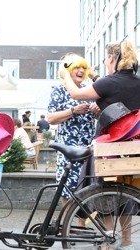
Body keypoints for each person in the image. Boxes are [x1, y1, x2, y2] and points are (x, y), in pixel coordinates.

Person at [60, 40, 140, 250]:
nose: (105, 62)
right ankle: (128, 239)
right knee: (126, 191)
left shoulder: (110, 82)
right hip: (132, 149)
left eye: (106, 58)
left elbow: (77, 94)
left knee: (104, 192)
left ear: (112, 59)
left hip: (109, 148)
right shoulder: (137, 81)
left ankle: (108, 241)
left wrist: (66, 75)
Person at [47, 53, 99, 214]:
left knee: (86, 187)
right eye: (76, 67)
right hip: (67, 148)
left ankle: (80, 226)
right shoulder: (60, 91)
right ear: (67, 70)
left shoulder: (88, 91)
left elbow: (100, 114)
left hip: (87, 148)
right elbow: (51, 118)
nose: (80, 70)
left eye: (83, 67)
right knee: (67, 188)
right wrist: (73, 111)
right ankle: (68, 229)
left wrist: (98, 110)